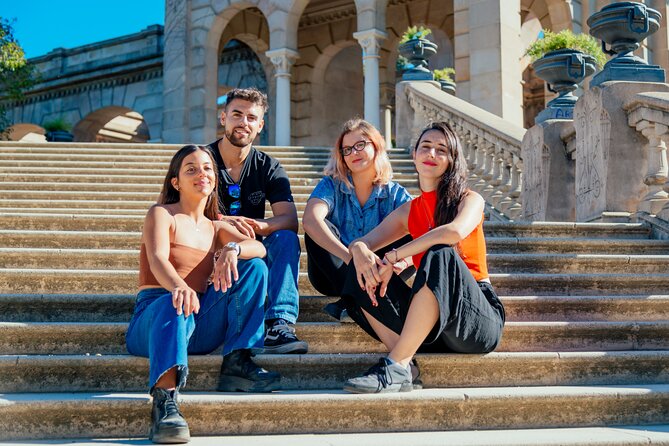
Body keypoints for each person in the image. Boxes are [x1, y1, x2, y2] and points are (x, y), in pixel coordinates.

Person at [125, 145, 281, 444]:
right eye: (191, 169)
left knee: (255, 268)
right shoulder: (162, 215)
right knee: (174, 303)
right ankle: (165, 402)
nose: (202, 174)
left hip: (199, 322)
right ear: (176, 182)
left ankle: (238, 359)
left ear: (215, 179)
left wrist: (231, 249)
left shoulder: (216, 227)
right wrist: (179, 286)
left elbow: (260, 247)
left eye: (208, 168)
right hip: (154, 317)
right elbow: (158, 258)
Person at [341, 122, 506, 394]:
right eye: (425, 147)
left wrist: (393, 257)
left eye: (441, 149)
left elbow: (453, 232)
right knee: (356, 269)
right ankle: (405, 365)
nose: (431, 153)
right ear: (414, 154)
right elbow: (363, 242)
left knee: (439, 252)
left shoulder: (470, 199)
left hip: (477, 320)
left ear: (452, 160)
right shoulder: (410, 210)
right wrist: (360, 251)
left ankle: (394, 365)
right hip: (434, 327)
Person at [207, 88, 307, 354]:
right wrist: (225, 222)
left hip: (252, 250)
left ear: (260, 125)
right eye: (237, 114)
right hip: (210, 246)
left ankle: (279, 323)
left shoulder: (269, 166)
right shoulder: (202, 161)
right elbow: (181, 213)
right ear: (223, 118)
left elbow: (289, 219)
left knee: (285, 238)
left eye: (252, 117)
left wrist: (258, 226)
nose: (244, 123)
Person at [302, 118, 413, 322]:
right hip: (333, 273)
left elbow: (427, 231)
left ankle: (352, 302)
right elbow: (310, 219)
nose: (353, 153)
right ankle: (360, 294)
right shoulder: (331, 186)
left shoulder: (396, 193)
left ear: (376, 145)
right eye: (347, 150)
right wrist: (353, 260)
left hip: (380, 272)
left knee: (414, 229)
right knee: (317, 227)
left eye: (360, 145)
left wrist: (400, 263)